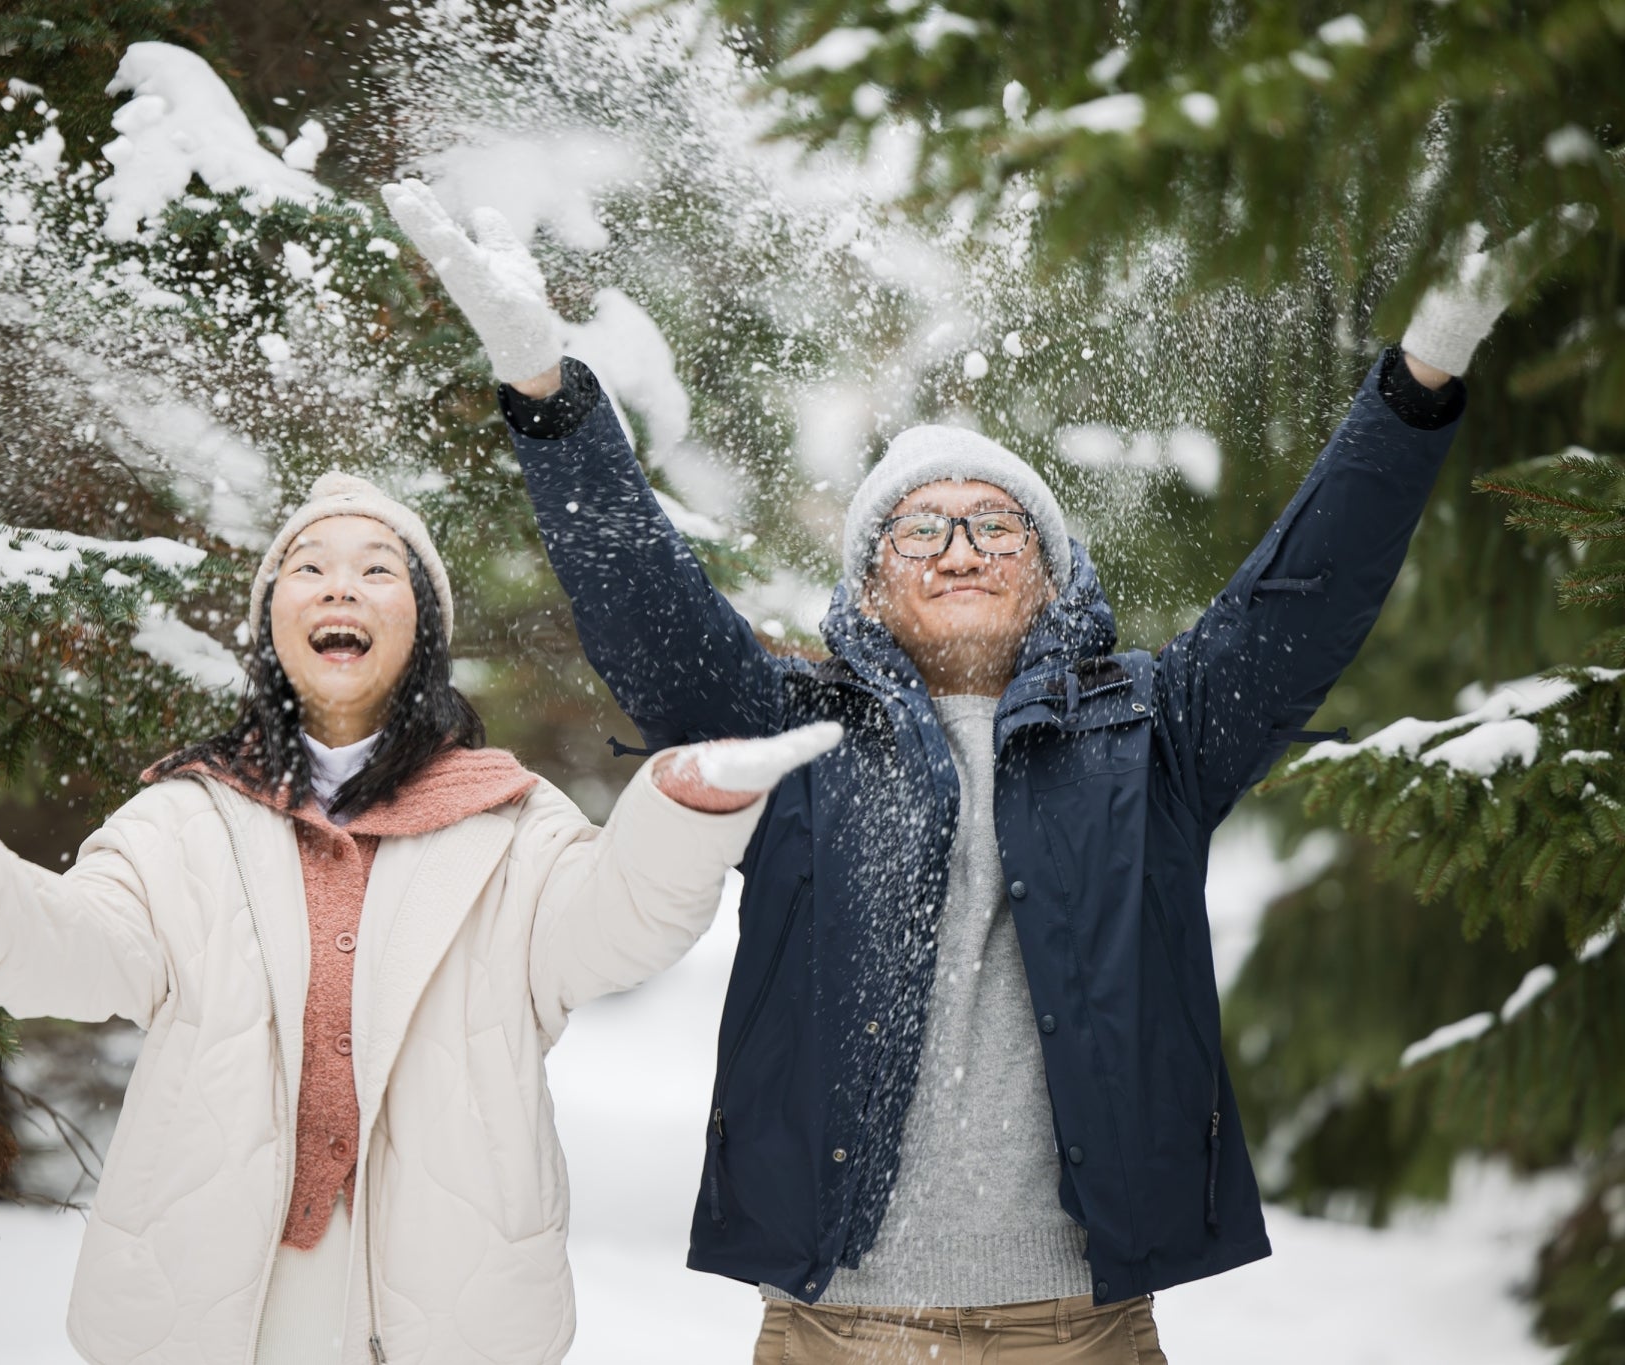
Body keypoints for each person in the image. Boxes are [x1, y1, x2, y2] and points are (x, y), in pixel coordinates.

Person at [383, 178, 1582, 1362]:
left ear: (1050, 573)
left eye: (995, 526)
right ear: (867, 583)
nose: (958, 547)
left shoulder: (1157, 731)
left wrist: (1417, 382)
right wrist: (547, 398)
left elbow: (1303, 595)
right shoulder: (787, 732)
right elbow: (644, 607)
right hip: (834, 1323)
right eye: (918, 528)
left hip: (1082, 1325)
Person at [0, 470, 844, 1365]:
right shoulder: (184, 815)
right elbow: (60, 956)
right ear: (273, 621)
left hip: (443, 1300)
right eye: (307, 569)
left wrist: (687, 804)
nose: (338, 587)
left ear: (422, 626)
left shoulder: (508, 819)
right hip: (212, 1298)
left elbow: (614, 929)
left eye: (375, 571)